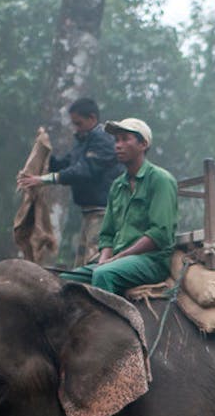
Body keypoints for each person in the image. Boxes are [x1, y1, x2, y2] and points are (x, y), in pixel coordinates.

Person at [59, 117, 178, 297]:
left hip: (151, 261)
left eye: (125, 139)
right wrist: (105, 258)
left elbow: (159, 233)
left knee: (103, 274)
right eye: (116, 140)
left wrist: (118, 258)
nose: (118, 145)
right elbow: (107, 234)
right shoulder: (117, 185)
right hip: (118, 261)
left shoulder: (160, 180)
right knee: (64, 279)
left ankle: (102, 325)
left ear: (143, 144)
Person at [17, 98, 122, 268]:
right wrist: (41, 152)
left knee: (94, 264)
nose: (76, 128)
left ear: (92, 118)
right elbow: (63, 164)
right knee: (80, 265)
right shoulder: (82, 142)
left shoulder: (103, 140)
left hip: (104, 215)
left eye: (79, 123)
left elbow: (84, 171)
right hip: (88, 214)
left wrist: (43, 180)